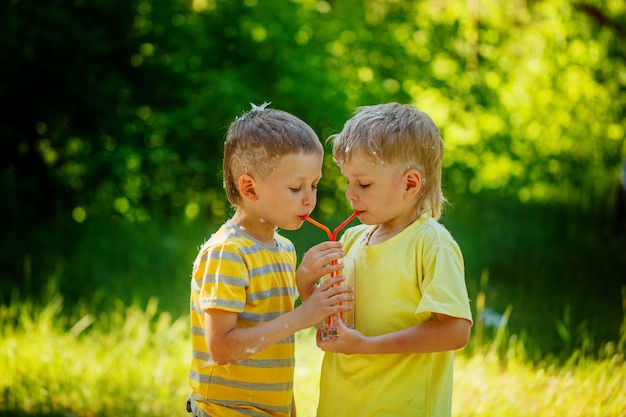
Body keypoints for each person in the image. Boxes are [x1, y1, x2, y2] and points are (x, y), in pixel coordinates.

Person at [301, 102, 473, 417]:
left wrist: (366, 345)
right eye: (348, 181)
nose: (350, 194)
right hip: (340, 406)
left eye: (364, 184)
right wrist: (306, 283)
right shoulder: (350, 240)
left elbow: (455, 331)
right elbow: (329, 325)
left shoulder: (431, 244)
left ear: (410, 183)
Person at [186, 103, 349, 417]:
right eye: (295, 187)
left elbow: (274, 335)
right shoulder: (227, 253)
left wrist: (306, 284)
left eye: (314, 185)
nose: (309, 199)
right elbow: (221, 348)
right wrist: (303, 316)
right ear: (250, 188)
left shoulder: (284, 249)